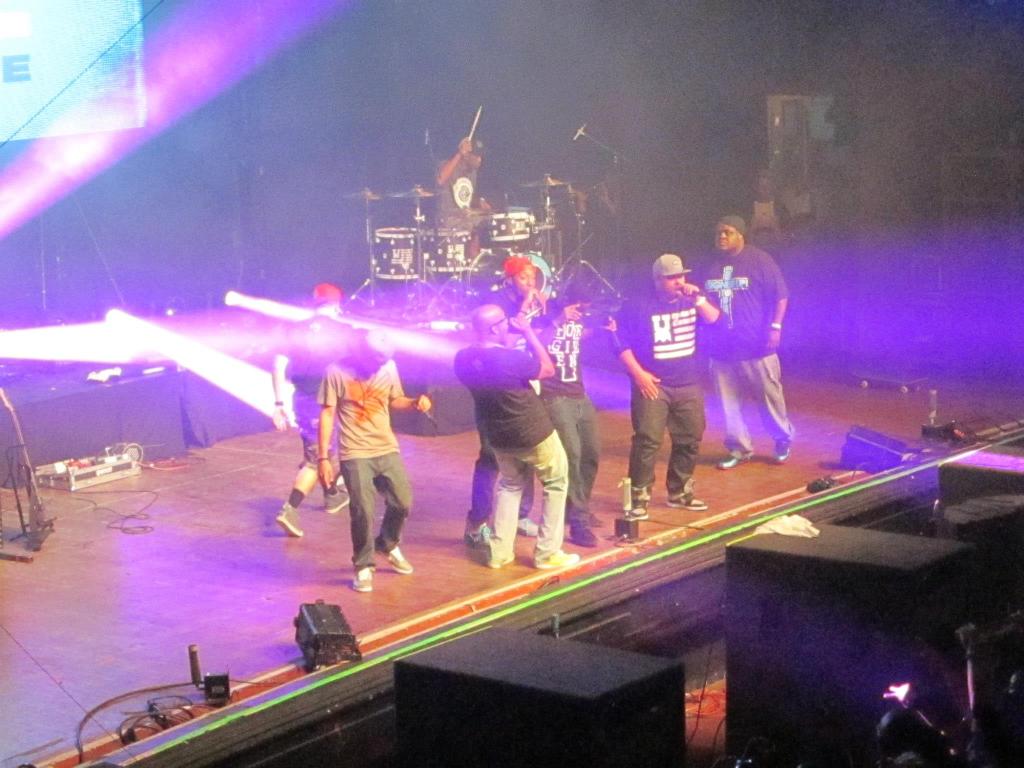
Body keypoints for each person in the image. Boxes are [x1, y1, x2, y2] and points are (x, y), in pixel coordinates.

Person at [454, 303, 579, 571]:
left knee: (510, 486)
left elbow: (497, 354)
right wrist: (529, 332)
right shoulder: (511, 359)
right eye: (503, 322)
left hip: (498, 434)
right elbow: (547, 369)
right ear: (494, 328)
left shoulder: (462, 359)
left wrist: (516, 329)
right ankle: (547, 554)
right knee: (556, 483)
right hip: (533, 431)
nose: (507, 325)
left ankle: (499, 553)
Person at [317, 329, 432, 593]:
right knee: (363, 510)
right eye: (374, 362)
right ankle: (363, 564)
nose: (378, 367)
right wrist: (323, 458)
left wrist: (414, 403)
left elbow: (395, 399)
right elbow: (327, 414)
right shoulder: (335, 372)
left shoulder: (388, 367)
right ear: (361, 354)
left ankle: (387, 544)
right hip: (355, 451)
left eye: (382, 362)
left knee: (402, 501)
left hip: (385, 446)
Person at [614, 253, 720, 517]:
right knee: (648, 440)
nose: (678, 281)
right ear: (657, 280)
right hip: (653, 382)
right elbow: (619, 342)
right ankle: (638, 497)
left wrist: (698, 299)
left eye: (681, 276)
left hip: (688, 382)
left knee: (690, 437)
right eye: (671, 277)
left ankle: (680, 492)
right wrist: (639, 374)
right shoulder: (639, 305)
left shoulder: (694, 299)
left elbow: (714, 319)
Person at [700, 215, 795, 469]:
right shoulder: (712, 265)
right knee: (728, 404)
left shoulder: (760, 260)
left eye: (728, 232)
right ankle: (739, 448)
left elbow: (781, 296)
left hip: (757, 345)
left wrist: (775, 327)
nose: (722, 236)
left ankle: (782, 438)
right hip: (722, 349)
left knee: (769, 399)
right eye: (719, 233)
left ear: (741, 235)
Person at [461, 255, 543, 546]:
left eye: (532, 277)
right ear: (510, 280)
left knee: (527, 450)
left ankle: (521, 514)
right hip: (496, 388)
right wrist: (524, 309)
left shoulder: (535, 300)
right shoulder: (496, 305)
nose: (530, 283)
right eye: (523, 278)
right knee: (490, 458)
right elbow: (503, 343)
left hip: (521, 380)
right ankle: (477, 522)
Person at [273, 283, 350, 537]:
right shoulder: (343, 331)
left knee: (325, 450)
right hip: (329, 403)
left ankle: (332, 495)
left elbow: (278, 365)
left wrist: (278, 404)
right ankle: (290, 509)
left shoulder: (294, 329)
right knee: (317, 460)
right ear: (337, 305)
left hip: (302, 400)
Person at [537, 282, 605, 548]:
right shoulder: (545, 318)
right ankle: (579, 523)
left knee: (591, 453)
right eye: (579, 305)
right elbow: (537, 344)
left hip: (579, 393)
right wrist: (557, 320)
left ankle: (578, 507)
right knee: (572, 455)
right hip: (554, 396)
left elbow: (587, 335)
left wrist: (604, 328)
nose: (582, 310)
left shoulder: (581, 320)